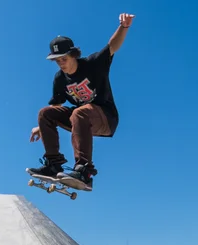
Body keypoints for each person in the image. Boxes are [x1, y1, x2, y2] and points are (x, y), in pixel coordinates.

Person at [28, 13, 135, 190]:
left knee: (80, 112)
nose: (61, 64)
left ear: (74, 55)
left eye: (64, 59)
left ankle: (84, 170)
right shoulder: (59, 79)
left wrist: (124, 27)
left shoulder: (93, 64)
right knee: (45, 113)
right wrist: (42, 125)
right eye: (57, 61)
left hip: (105, 118)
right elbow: (56, 105)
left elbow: (112, 47)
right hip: (81, 120)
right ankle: (53, 165)